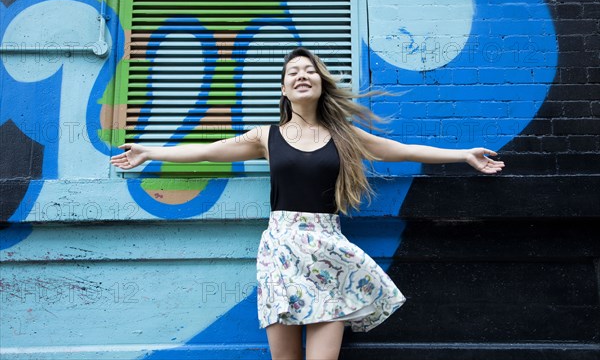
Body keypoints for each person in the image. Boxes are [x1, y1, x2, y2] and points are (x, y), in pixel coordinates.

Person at [111, 47, 505, 360]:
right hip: (280, 253)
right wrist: (150, 151)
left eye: (309, 70)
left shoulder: (345, 135)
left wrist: (463, 154)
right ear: (284, 89)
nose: (301, 75)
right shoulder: (265, 136)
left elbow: (398, 150)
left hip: (328, 252)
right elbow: (207, 152)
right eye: (292, 72)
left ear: (321, 82)